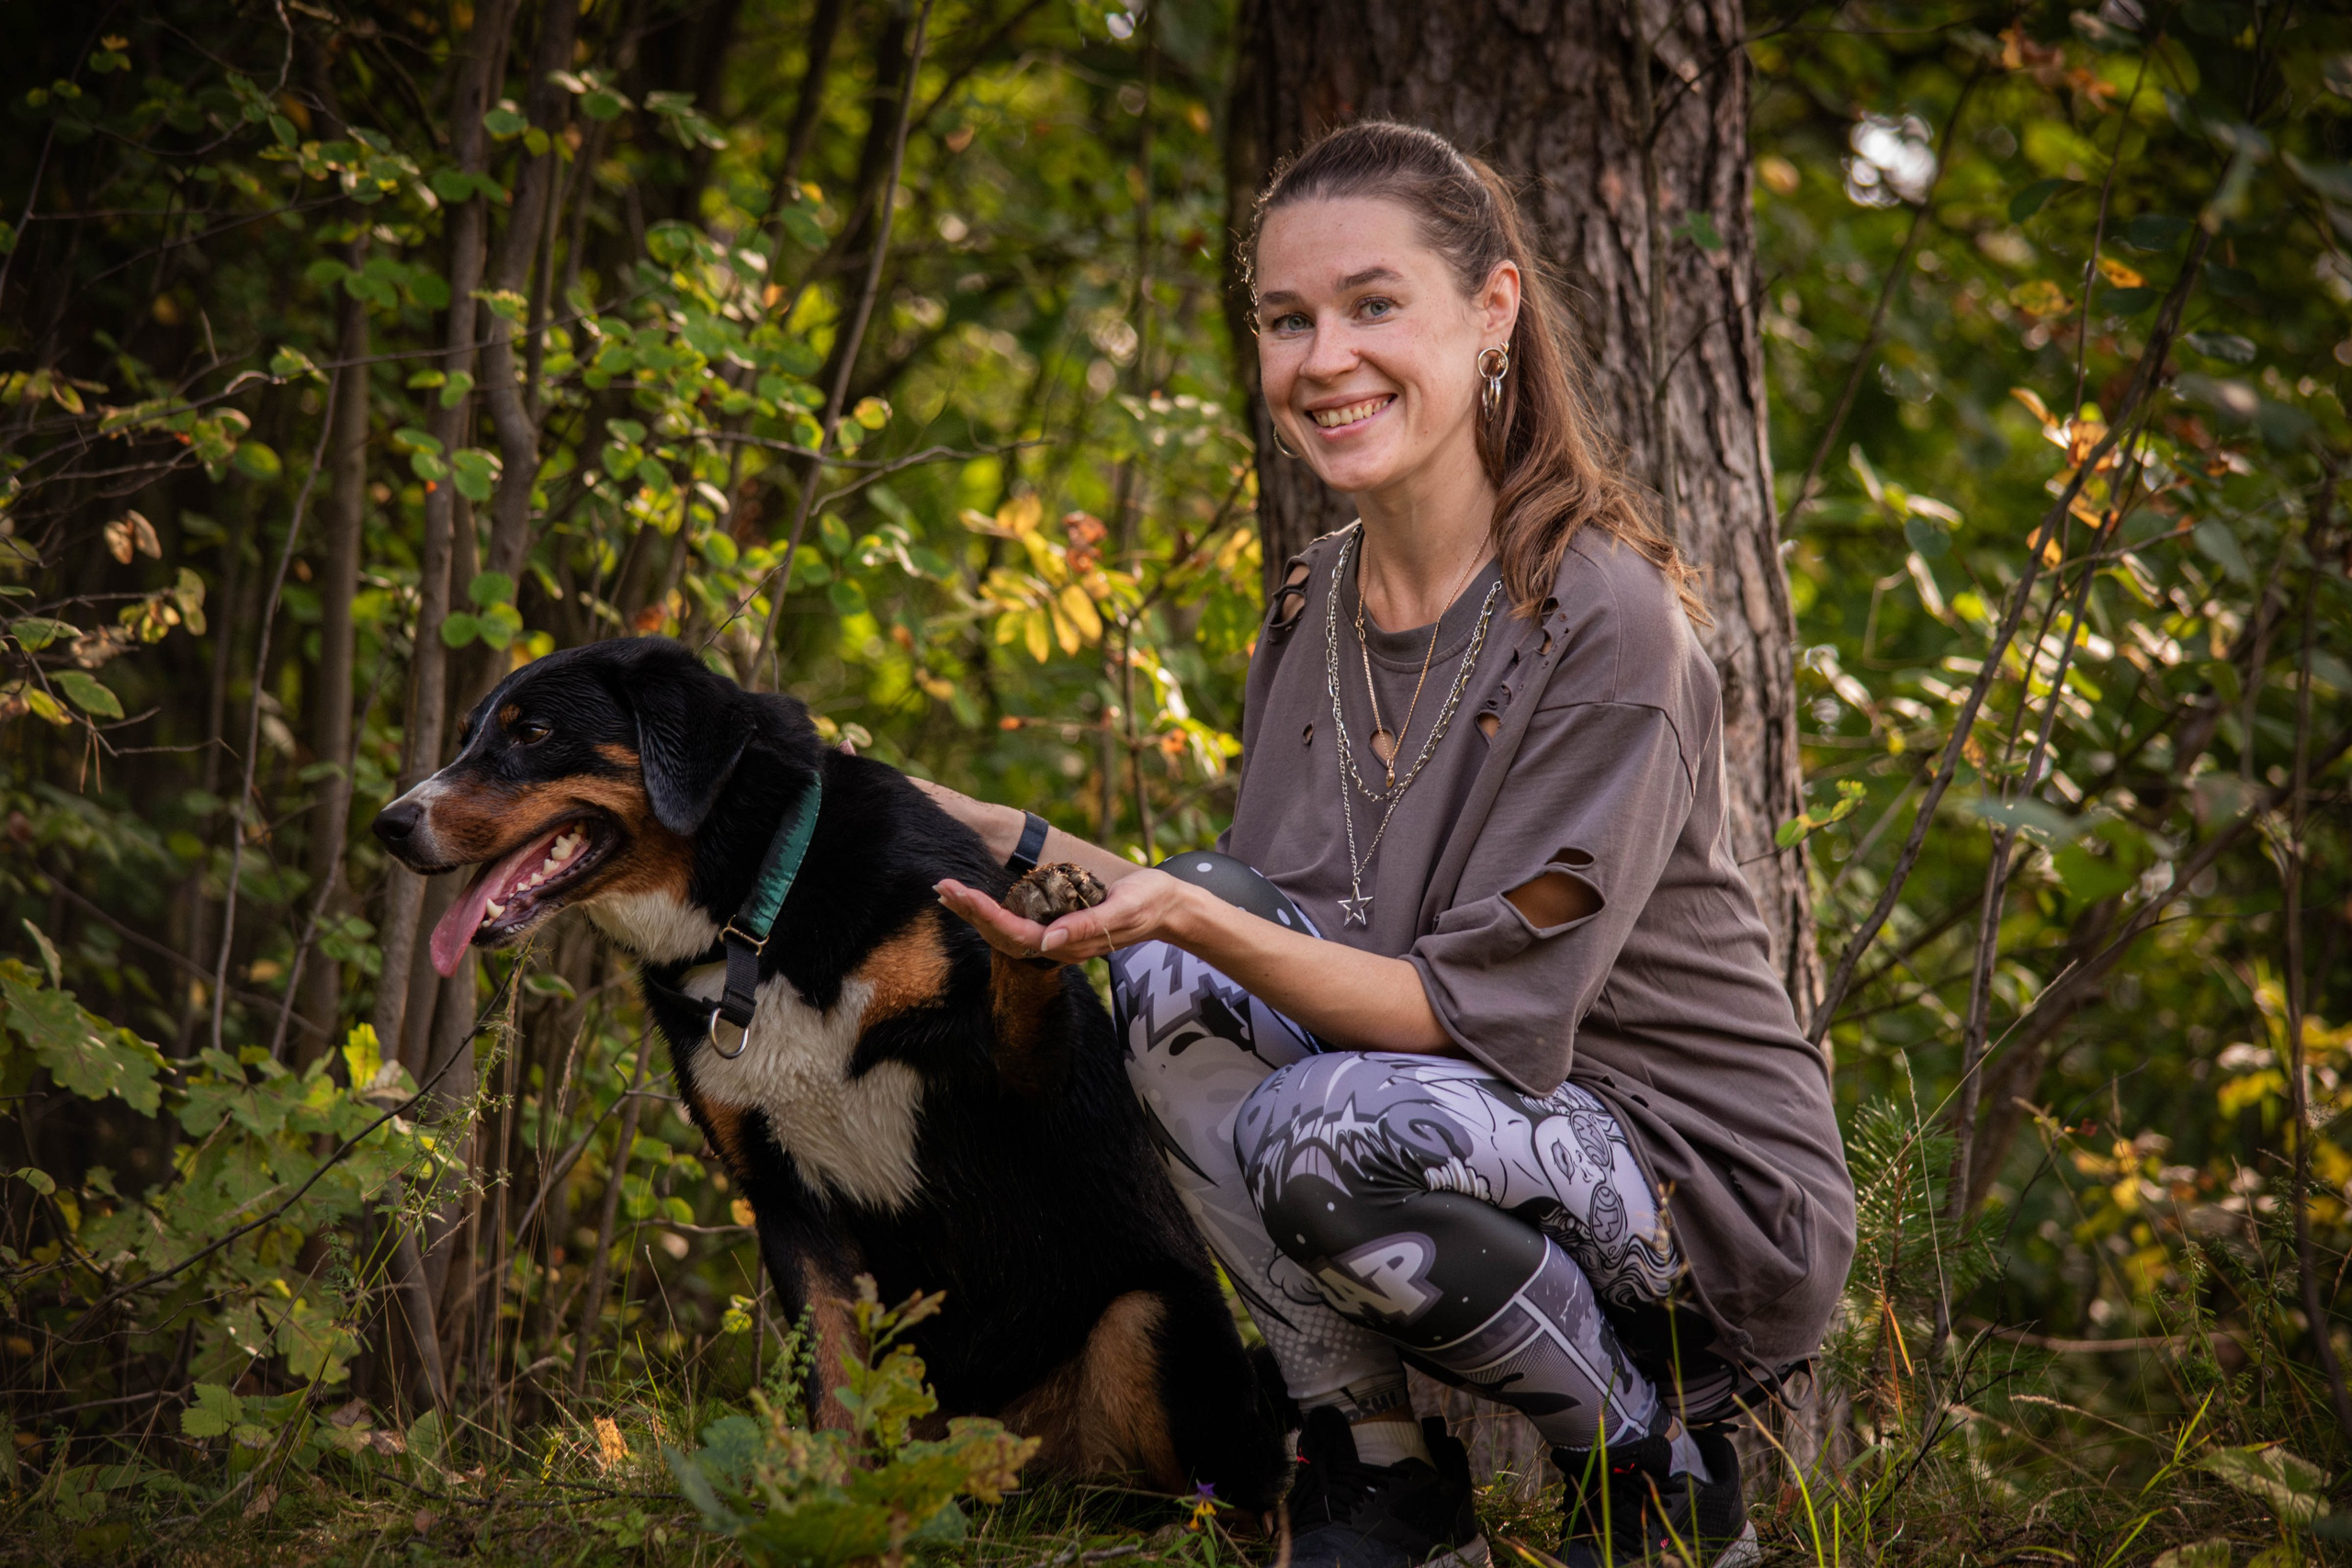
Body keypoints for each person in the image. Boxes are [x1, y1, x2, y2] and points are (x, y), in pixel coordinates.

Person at [920, 120, 1854, 1568]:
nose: (1323, 358)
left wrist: (1191, 919)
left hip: (1696, 1181)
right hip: (1451, 1123)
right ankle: (1377, 1475)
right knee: (1178, 984)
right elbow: (1270, 942)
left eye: (1372, 305)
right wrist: (1013, 839)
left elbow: (1460, 1017)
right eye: (1288, 321)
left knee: (1306, 1109)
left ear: (1492, 311)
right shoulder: (1314, 608)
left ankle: (1654, 1474)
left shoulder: (1607, 620)